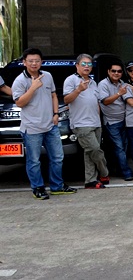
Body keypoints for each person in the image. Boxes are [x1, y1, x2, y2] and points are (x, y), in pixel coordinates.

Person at [12, 48, 76, 200]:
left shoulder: (47, 76)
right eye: (30, 61)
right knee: (34, 161)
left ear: (41, 62)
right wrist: (32, 88)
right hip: (31, 128)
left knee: (58, 157)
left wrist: (56, 114)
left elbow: (53, 95)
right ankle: (38, 188)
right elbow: (19, 103)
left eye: (37, 61)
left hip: (50, 125)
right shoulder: (19, 81)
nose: (34, 63)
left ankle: (57, 186)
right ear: (24, 62)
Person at [63, 54, 110, 189]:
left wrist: (99, 121)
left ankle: (90, 180)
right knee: (94, 149)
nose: (87, 67)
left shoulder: (93, 82)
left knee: (89, 153)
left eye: (89, 64)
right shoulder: (71, 80)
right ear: (77, 65)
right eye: (83, 64)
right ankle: (104, 172)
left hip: (95, 122)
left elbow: (96, 103)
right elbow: (66, 100)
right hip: (81, 123)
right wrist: (78, 90)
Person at [98, 62, 133, 181]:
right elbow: (105, 101)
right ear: (108, 71)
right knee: (119, 148)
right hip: (111, 122)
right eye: (113, 71)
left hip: (124, 120)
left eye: (119, 71)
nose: (116, 73)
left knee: (124, 147)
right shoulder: (103, 84)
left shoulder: (122, 83)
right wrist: (119, 93)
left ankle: (119, 169)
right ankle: (126, 172)